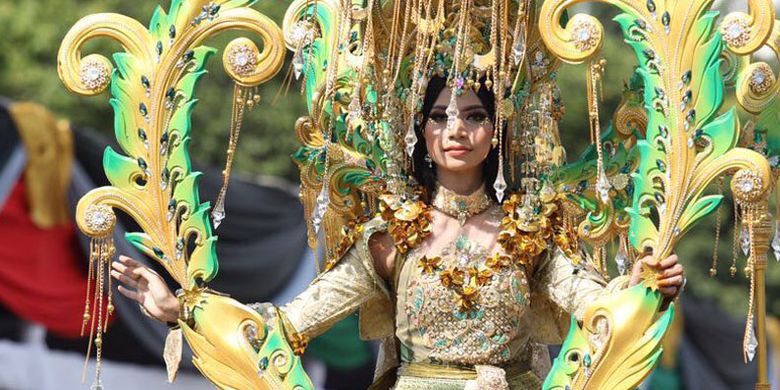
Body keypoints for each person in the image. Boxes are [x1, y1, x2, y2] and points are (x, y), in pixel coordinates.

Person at [111, 75, 684, 389]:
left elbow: (597, 308)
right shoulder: (388, 238)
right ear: (421, 133)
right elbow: (288, 323)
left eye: (474, 115)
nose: (456, 129)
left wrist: (643, 285)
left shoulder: (527, 232)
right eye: (439, 116)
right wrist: (182, 308)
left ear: (495, 133)